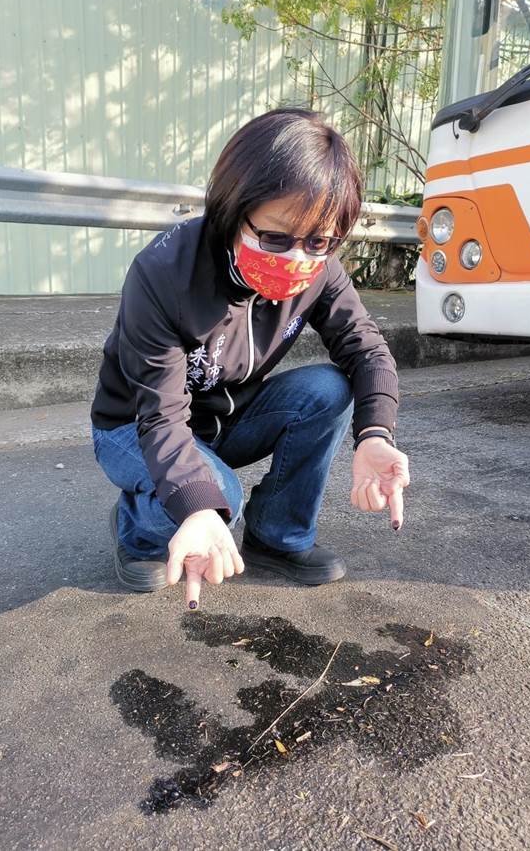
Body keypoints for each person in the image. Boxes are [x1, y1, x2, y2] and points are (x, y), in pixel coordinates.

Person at [90, 108, 410, 610]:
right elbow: (160, 416)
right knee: (218, 498)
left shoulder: (320, 269)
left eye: (318, 241)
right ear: (234, 208)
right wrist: (197, 509)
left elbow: (365, 347)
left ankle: (277, 536)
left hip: (222, 417)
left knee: (327, 390)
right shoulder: (164, 273)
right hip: (134, 426)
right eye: (276, 238)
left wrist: (375, 435)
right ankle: (137, 525)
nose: (296, 259)